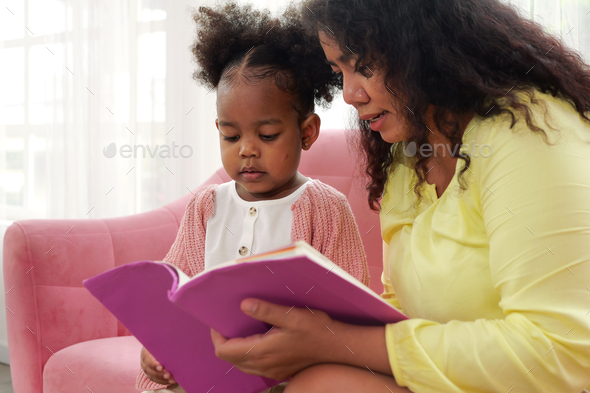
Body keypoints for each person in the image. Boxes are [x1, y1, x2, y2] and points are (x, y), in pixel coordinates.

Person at [210, 0, 590, 392]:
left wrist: (339, 342)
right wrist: (309, 341)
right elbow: (402, 307)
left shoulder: (530, 134)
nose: (349, 94)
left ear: (424, 47)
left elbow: (560, 351)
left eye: (364, 66)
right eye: (338, 71)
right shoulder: (410, 153)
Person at [135, 3, 370, 393]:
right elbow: (173, 293)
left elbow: (353, 315)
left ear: (307, 131)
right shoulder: (206, 207)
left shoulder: (326, 209)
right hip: (208, 372)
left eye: (267, 135)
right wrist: (156, 347)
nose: (246, 150)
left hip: (290, 374)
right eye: (230, 136)